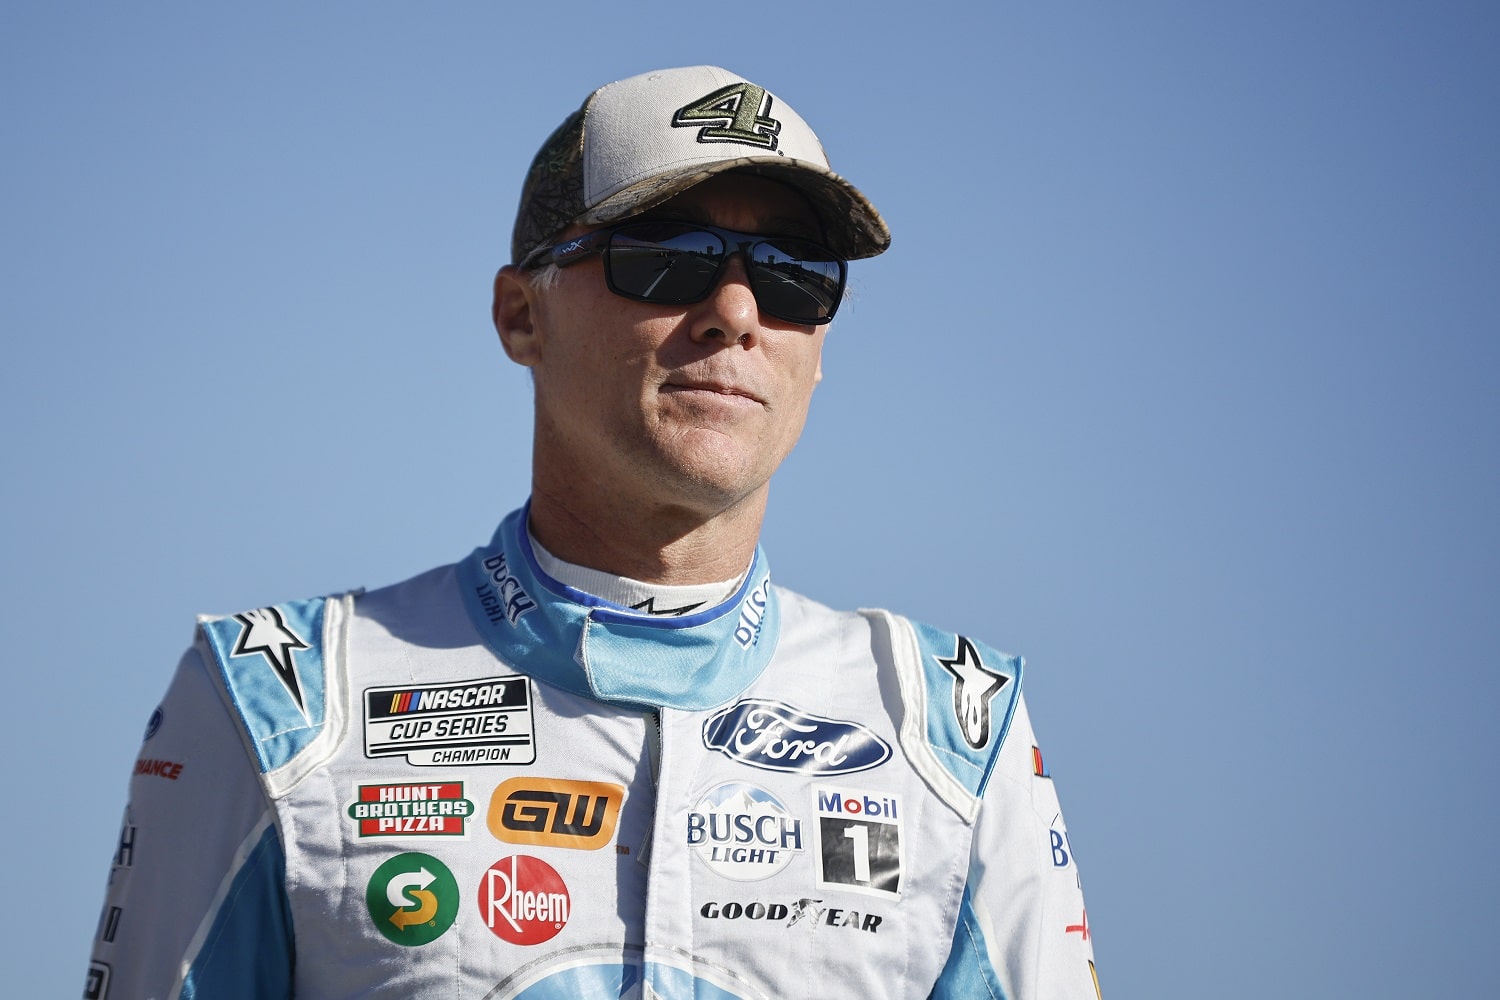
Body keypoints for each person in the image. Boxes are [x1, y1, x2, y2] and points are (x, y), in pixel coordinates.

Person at [85, 65, 1098, 1000]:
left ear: (821, 348)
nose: (738, 310)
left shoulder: (959, 734)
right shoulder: (277, 701)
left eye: (794, 273)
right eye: (666, 258)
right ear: (520, 315)